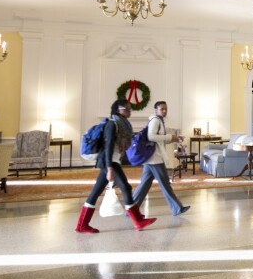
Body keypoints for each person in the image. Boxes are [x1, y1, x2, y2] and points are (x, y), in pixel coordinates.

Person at [75, 99, 157, 233]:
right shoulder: (112, 124)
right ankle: (138, 221)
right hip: (109, 162)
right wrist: (109, 169)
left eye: (130, 108)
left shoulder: (123, 125)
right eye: (126, 108)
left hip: (112, 161)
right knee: (125, 187)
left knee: (96, 192)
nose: (129, 110)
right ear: (118, 110)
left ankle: (82, 225)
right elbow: (107, 147)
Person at [132, 101, 190, 216]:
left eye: (165, 109)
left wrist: (174, 139)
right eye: (162, 109)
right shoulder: (155, 120)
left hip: (153, 159)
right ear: (156, 110)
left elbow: (160, 139)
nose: (164, 111)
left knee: (144, 185)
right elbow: (151, 136)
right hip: (155, 158)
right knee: (165, 183)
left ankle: (131, 210)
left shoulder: (159, 121)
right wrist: (170, 136)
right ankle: (177, 208)